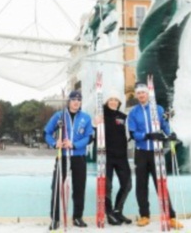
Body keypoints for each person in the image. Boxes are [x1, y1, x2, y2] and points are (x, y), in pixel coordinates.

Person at [127, 82, 183, 229]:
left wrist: (170, 133)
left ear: (148, 94)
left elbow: (164, 126)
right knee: (141, 185)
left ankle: (170, 216)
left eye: (143, 93)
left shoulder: (158, 109)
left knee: (161, 184)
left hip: (156, 152)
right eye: (138, 93)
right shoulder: (133, 113)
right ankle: (144, 215)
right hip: (141, 152)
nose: (141, 95)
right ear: (137, 95)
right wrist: (147, 135)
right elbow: (133, 134)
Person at [44, 90, 93, 230]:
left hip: (79, 156)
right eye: (73, 100)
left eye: (79, 100)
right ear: (69, 101)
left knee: (79, 187)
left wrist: (74, 144)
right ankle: (55, 218)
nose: (76, 102)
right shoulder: (59, 116)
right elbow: (46, 133)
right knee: (56, 187)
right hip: (63, 157)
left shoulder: (86, 117)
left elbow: (89, 137)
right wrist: (54, 143)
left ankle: (77, 217)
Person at [93, 88, 132, 225]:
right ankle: (108, 213)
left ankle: (117, 211)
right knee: (107, 186)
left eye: (116, 100)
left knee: (127, 185)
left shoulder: (123, 117)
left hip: (121, 156)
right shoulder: (100, 115)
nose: (113, 102)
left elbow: (129, 134)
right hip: (106, 157)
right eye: (111, 99)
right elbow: (93, 134)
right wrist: (95, 124)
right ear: (106, 102)